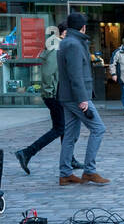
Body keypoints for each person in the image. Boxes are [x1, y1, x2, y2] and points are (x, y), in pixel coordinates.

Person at [15, 26, 80, 175]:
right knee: (60, 128)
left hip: (58, 93)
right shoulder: (56, 47)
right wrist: (50, 92)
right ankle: (27, 153)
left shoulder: (58, 45)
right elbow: (49, 72)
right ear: (64, 33)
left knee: (64, 127)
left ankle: (69, 159)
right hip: (54, 94)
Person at [57, 12, 109, 185]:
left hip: (69, 96)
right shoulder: (74, 44)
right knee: (98, 129)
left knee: (70, 134)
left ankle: (65, 174)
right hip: (76, 97)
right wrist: (83, 99)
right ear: (83, 27)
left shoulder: (69, 42)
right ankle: (89, 171)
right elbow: (75, 75)